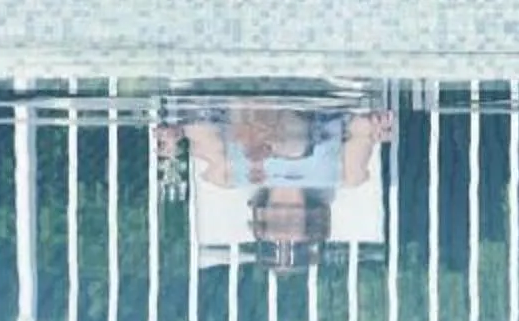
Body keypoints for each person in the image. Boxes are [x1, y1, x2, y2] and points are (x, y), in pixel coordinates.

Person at [156, 101, 395, 264]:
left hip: (245, 112)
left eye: (276, 241)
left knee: (246, 138)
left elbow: (202, 134)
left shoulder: (228, 177)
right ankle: (275, 140)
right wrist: (373, 124)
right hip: (308, 114)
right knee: (294, 143)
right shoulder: (345, 176)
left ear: (259, 224)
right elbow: (360, 131)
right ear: (312, 226)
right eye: (291, 241)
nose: (284, 238)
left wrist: (177, 135)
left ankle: (269, 137)